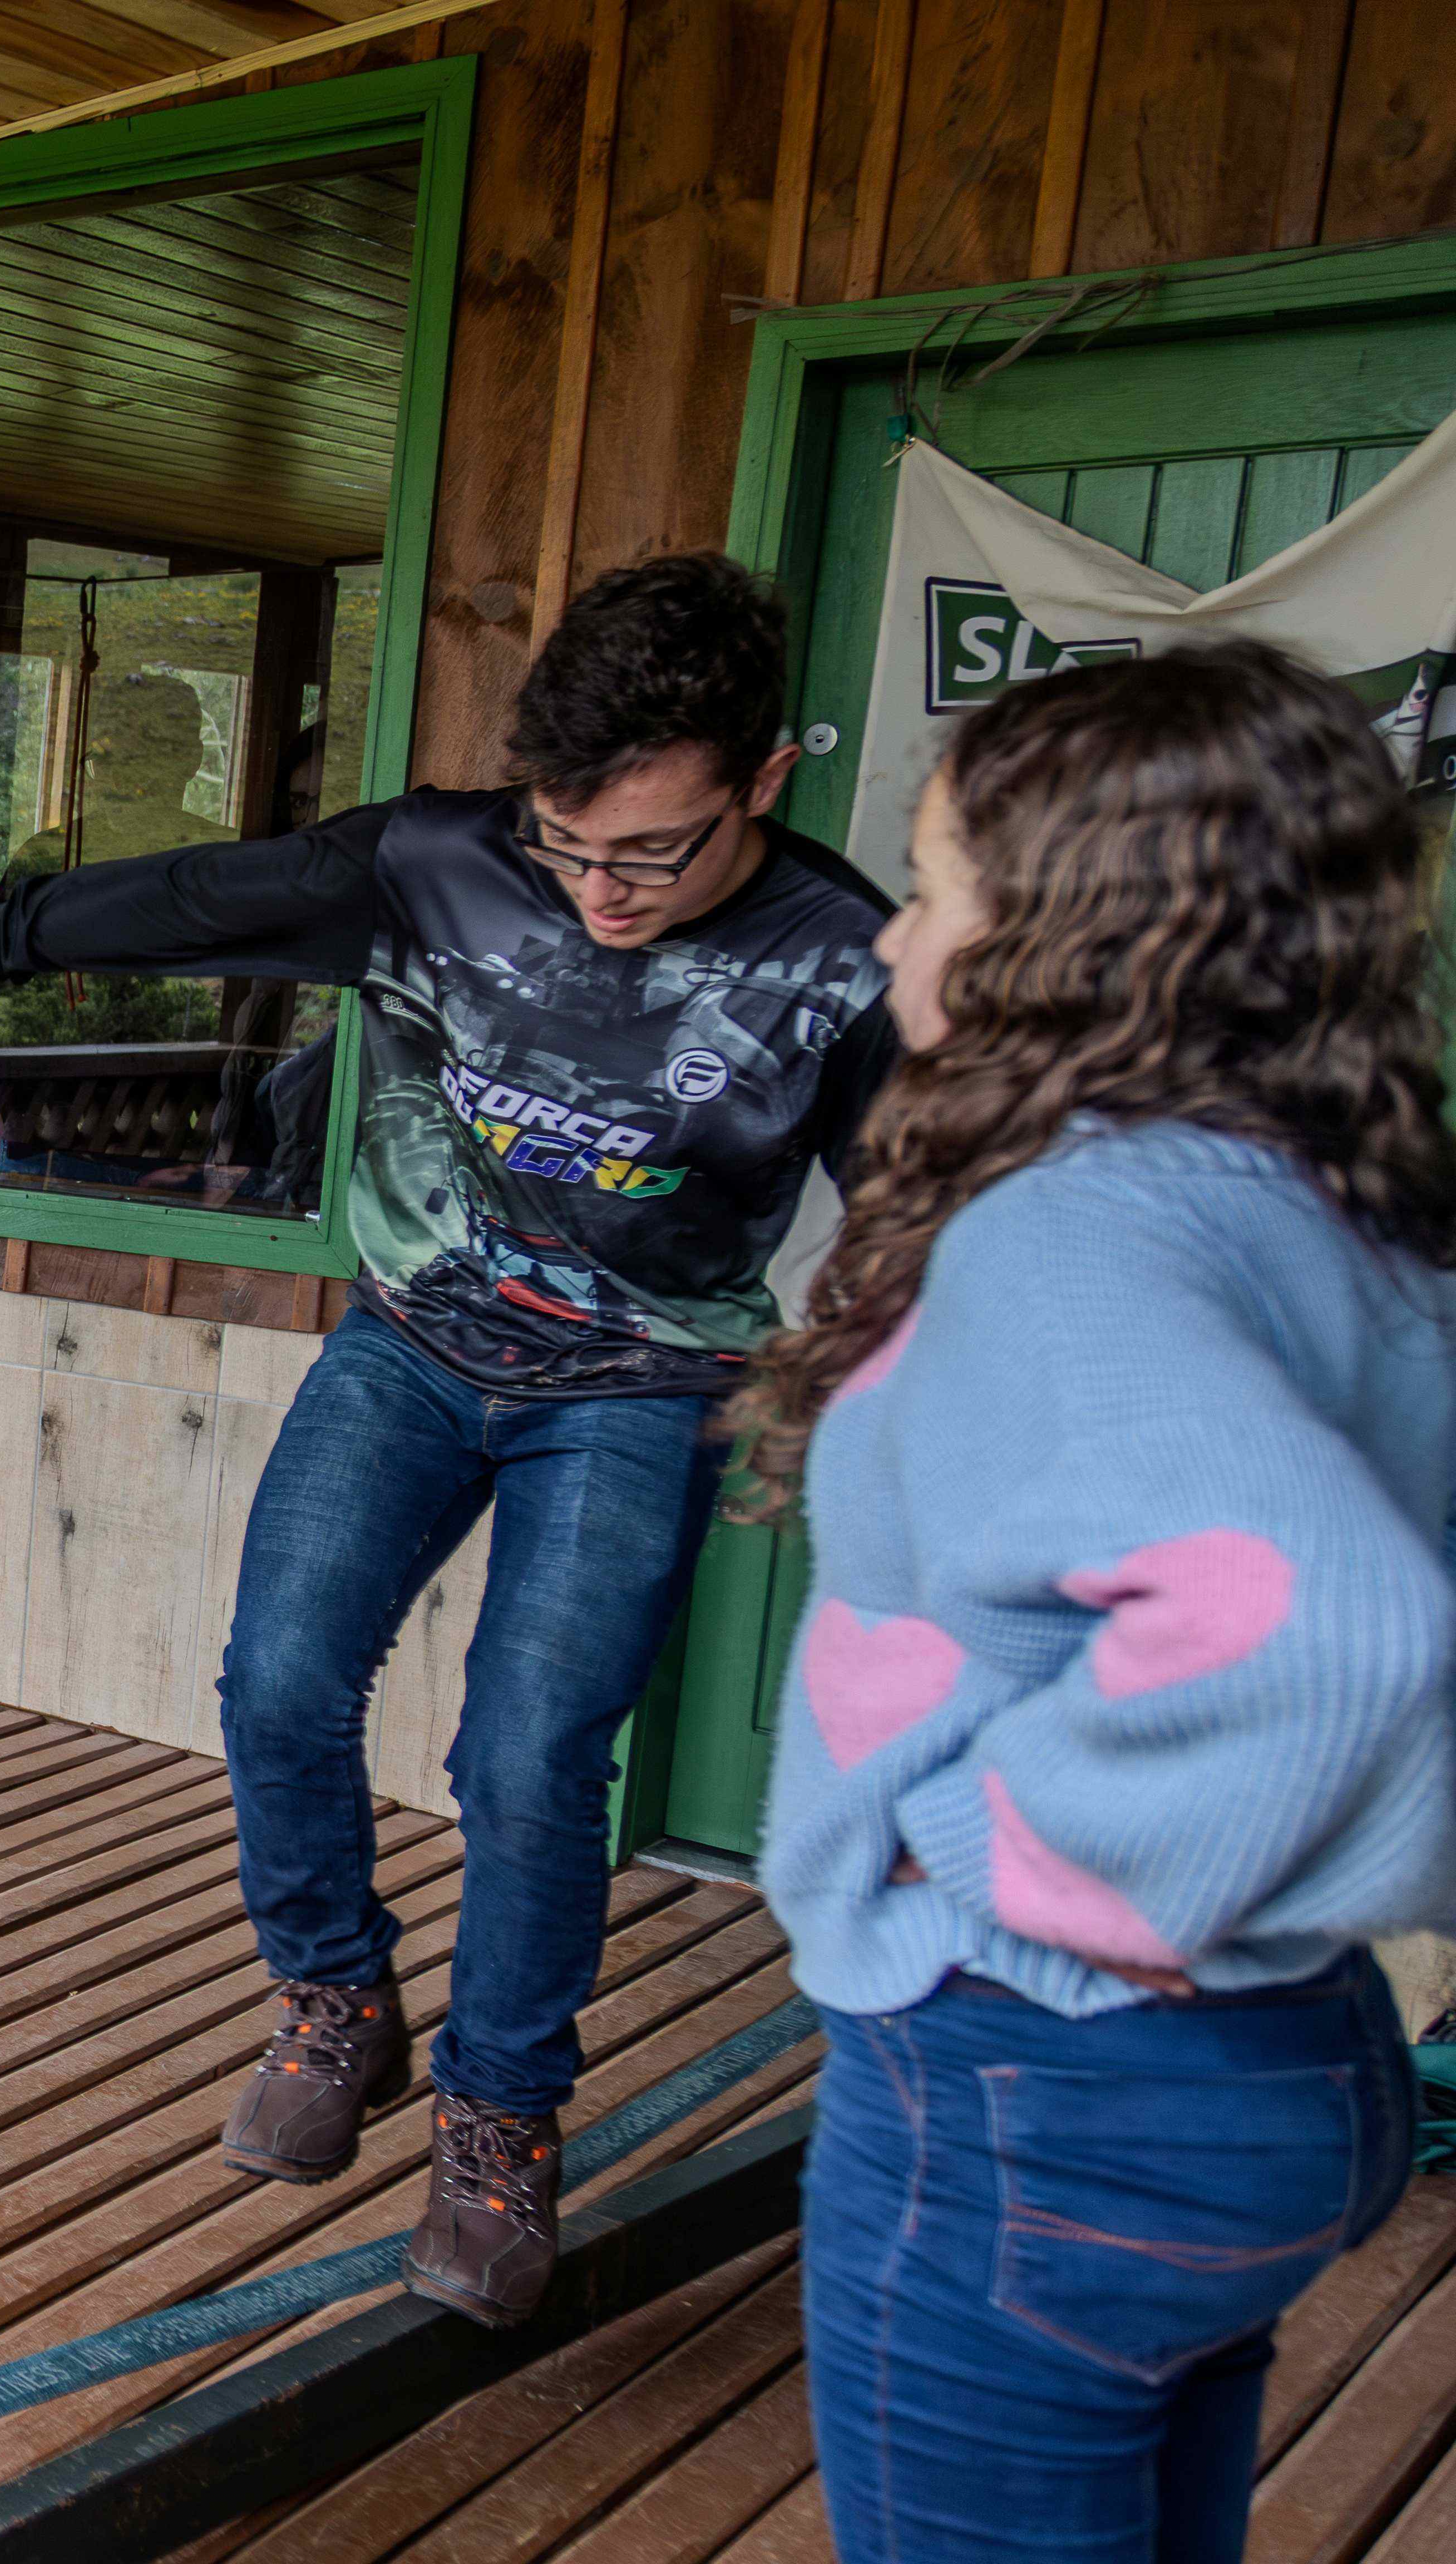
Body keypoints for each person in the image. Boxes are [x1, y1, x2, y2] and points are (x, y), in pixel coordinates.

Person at [0, 554, 901, 2325]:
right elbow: (191, 899)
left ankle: (498, 2125)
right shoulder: (437, 863)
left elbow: (931, 1198)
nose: (605, 891)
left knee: (533, 1761)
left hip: (643, 1384)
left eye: (654, 852)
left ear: (763, 782)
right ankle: (333, 2004)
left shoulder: (842, 962)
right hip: (412, 1341)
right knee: (277, 1682)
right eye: (571, 847)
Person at [734, 643, 1455, 2559]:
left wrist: (1006, 1846)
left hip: (1042, 2070)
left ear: (1073, 929)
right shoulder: (1339, 1203)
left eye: (936, 884)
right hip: (1281, 2048)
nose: (895, 939)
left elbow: (1336, 1622)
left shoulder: (1078, 1224)